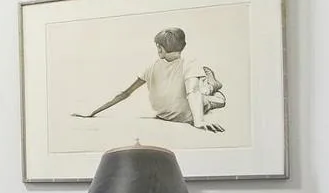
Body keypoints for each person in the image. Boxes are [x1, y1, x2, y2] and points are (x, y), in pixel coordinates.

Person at [74, 27, 226, 132]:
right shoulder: (165, 65)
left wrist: (199, 121)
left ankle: (212, 85)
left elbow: (125, 93)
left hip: (182, 114)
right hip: (180, 113)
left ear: (160, 48)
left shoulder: (158, 65)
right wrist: (93, 112)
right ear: (183, 45)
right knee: (200, 90)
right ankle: (210, 84)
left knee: (219, 100)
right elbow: (192, 91)